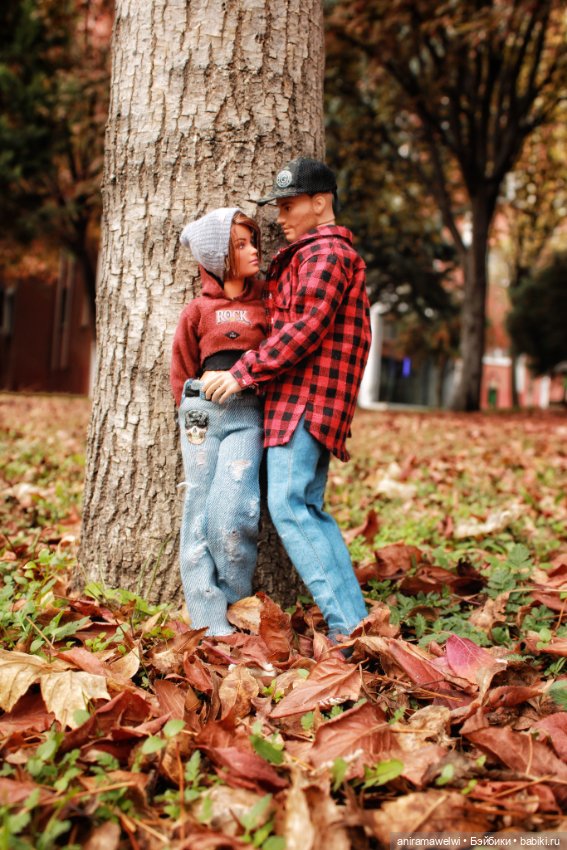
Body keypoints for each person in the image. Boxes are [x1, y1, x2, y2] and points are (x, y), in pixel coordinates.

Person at [201, 157, 371, 642]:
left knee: (291, 506)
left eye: (290, 204)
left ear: (321, 203)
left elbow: (305, 328)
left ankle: (347, 632)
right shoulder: (307, 255)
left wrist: (242, 372)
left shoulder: (327, 256)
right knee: (307, 507)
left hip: (306, 400)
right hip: (300, 400)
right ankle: (355, 623)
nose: (280, 216)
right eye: (278, 206)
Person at [170, 207, 268, 636]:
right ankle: (209, 625)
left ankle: (234, 605)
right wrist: (188, 407)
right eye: (241, 245)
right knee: (198, 510)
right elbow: (182, 365)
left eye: (253, 242)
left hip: (248, 413)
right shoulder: (198, 309)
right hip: (201, 417)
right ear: (218, 256)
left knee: (234, 510)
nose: (254, 251)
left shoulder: (266, 304)